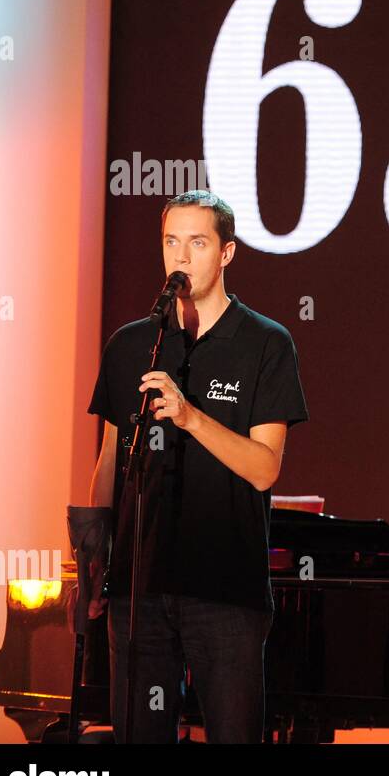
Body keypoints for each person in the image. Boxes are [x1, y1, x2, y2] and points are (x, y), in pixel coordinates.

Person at [86, 189, 308, 742]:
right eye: (171, 242)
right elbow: (111, 457)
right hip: (139, 591)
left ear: (227, 253)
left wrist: (189, 418)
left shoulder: (265, 343)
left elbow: (263, 470)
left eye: (198, 242)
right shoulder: (132, 344)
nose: (181, 257)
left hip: (225, 592)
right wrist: (94, 561)